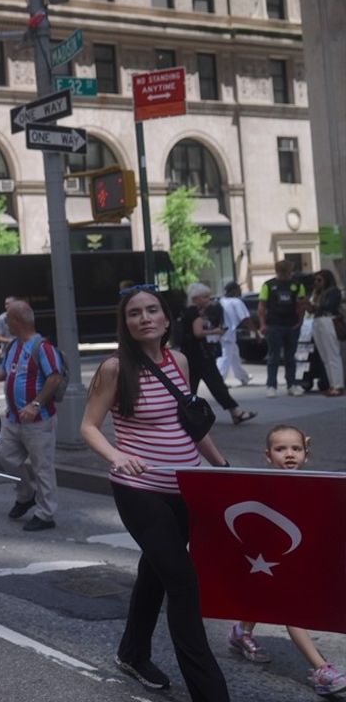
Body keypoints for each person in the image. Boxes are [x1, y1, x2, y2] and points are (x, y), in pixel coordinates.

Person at [79, 285, 231, 700]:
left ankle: (132, 651)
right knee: (182, 582)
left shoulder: (178, 361)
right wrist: (116, 456)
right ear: (125, 323)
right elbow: (89, 426)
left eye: (152, 311)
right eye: (134, 313)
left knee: (156, 571)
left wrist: (220, 466)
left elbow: (190, 425)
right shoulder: (115, 368)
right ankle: (210, 691)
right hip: (138, 488)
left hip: (184, 486)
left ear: (166, 319)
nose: (144, 318)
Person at [223, 424, 346, 697]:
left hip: (294, 558)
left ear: (306, 452)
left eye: (296, 448)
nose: (289, 454)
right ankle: (322, 669)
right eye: (280, 449)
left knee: (265, 598)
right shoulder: (263, 483)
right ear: (268, 455)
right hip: (267, 559)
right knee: (293, 610)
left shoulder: (315, 483)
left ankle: (241, 631)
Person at [0, 301, 62, 532]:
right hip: (14, 419)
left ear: (17, 321)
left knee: (42, 467)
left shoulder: (42, 347)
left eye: (8, 321)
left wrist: (36, 404)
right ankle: (26, 494)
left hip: (38, 421)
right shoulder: (14, 346)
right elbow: (3, 373)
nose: (6, 325)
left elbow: (54, 378)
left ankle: (46, 514)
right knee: (6, 457)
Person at [180, 283, 257, 426]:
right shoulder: (194, 313)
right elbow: (198, 333)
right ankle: (235, 412)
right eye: (205, 297)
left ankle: (185, 415)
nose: (208, 299)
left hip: (191, 355)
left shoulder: (188, 312)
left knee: (191, 387)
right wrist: (215, 331)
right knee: (216, 384)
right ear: (196, 298)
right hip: (200, 355)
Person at [258, 260, 308, 398]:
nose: (287, 274)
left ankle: (291, 385)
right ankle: (271, 386)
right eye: (285, 271)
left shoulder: (297, 285)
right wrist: (263, 324)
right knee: (273, 356)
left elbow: (302, 304)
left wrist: (300, 320)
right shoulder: (268, 285)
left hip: (291, 325)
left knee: (290, 356)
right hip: (274, 324)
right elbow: (262, 306)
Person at [308, 270, 344, 396]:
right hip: (317, 320)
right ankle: (332, 384)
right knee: (325, 356)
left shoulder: (333, 291)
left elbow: (328, 306)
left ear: (326, 280)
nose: (316, 283)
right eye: (315, 280)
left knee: (332, 354)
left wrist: (315, 304)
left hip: (328, 320)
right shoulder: (317, 293)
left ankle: (338, 385)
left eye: (319, 280)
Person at [215, 282, 252, 386]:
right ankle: (219, 380)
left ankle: (243, 377)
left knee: (235, 356)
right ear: (234, 290)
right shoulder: (236, 302)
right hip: (229, 334)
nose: (240, 291)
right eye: (239, 289)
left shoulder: (221, 301)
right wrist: (256, 332)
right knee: (225, 358)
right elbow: (245, 318)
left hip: (220, 333)